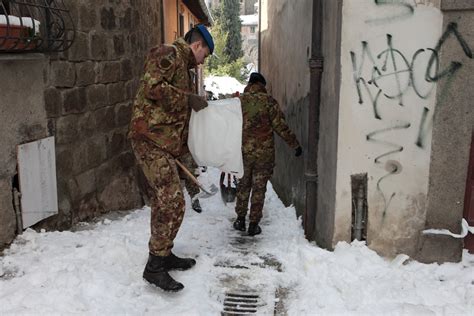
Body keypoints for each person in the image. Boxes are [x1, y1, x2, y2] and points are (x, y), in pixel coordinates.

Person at [128, 24, 214, 292]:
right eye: (206, 55)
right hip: (148, 139)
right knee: (173, 201)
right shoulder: (168, 53)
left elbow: (177, 118)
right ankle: (154, 267)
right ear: (197, 46)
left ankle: (162, 256)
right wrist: (188, 99)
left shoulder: (185, 71)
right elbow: (152, 87)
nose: (204, 61)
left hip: (163, 144)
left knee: (164, 202)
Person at [233, 72, 302, 236]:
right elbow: (280, 127)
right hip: (264, 154)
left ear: (249, 84)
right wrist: (295, 145)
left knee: (243, 185)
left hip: (243, 153)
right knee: (259, 188)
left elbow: (229, 126)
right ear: (262, 85)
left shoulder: (238, 102)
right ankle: (254, 224)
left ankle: (240, 220)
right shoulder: (269, 102)